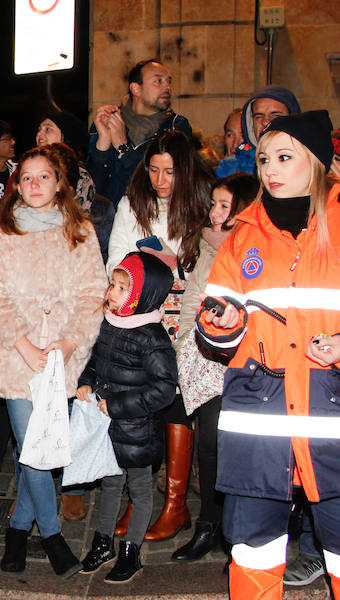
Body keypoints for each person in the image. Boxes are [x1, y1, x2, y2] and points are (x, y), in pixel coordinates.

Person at [197, 110, 340, 599]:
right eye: (263, 159)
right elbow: (218, 330)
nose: (270, 168)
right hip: (260, 419)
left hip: (330, 414)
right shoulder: (242, 237)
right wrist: (221, 324)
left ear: (318, 162)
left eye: (284, 156)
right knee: (254, 548)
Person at [0, 146, 107, 576]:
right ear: (17, 184)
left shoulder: (80, 229)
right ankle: (51, 535)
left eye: (43, 177)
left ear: (59, 182)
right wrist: (24, 344)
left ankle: (16, 529)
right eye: (26, 177)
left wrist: (69, 344)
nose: (34, 185)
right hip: (15, 357)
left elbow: (93, 294)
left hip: (63, 357)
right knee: (35, 446)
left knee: (38, 446)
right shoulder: (1, 229)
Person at [106, 130, 214, 541]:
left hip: (185, 313)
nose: (160, 179)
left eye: (169, 171)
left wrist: (171, 262)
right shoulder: (133, 202)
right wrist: (143, 265)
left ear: (185, 170)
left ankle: (175, 502)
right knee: (144, 400)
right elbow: (116, 257)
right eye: (153, 169)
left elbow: (211, 261)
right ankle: (140, 497)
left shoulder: (202, 203)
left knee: (178, 401)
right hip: (143, 308)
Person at [171, 172, 258, 563]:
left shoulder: (256, 249)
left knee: (239, 448)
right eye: (214, 204)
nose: (215, 213)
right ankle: (209, 525)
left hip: (246, 361)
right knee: (207, 446)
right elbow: (193, 296)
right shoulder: (207, 245)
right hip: (207, 357)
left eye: (225, 206)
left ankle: (237, 528)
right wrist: (186, 340)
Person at [77, 252, 177, 583]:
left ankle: (130, 551)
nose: (111, 292)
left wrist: (119, 406)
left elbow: (164, 390)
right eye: (113, 284)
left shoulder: (152, 337)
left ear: (139, 296)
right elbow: (97, 360)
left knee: (139, 488)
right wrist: (86, 381)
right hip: (107, 428)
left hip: (136, 430)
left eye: (122, 288)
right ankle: (103, 542)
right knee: (109, 483)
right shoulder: (111, 322)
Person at [87, 58, 192, 206]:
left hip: (153, 219)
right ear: (136, 89)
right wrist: (102, 145)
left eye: (169, 81)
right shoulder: (110, 121)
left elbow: (162, 183)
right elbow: (89, 188)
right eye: (158, 81)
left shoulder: (176, 128)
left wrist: (123, 148)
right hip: (108, 223)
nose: (167, 87)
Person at [216, 85, 300, 177]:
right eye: (259, 116)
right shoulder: (230, 169)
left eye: (275, 115)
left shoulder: (309, 164)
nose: (265, 121)